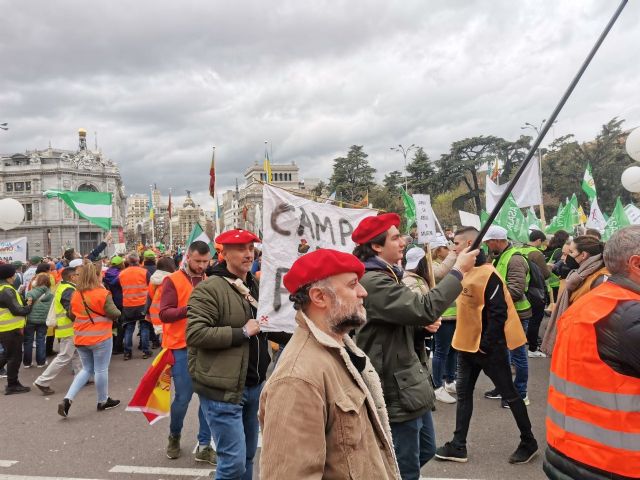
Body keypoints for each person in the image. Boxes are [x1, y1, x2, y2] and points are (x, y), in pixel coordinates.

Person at [352, 213, 478, 480]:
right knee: (404, 468)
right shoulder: (373, 281)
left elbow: (399, 321)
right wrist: (459, 271)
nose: (403, 241)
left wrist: (420, 328)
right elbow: (424, 308)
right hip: (396, 385)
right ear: (376, 246)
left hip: (410, 382)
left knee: (425, 450)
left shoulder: (388, 274)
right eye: (395, 237)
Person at [259, 249, 401, 479]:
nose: (363, 292)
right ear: (320, 297)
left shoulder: (340, 349)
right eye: (353, 284)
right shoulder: (297, 379)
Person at [435, 227, 538, 465]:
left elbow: (498, 313)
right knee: (463, 395)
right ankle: (458, 445)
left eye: (457, 245)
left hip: (488, 350)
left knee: (510, 394)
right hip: (465, 347)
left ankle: (528, 441)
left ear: (470, 244)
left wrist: (486, 345)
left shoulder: (488, 274)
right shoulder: (463, 271)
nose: (453, 249)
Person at [543, 225, 640, 479]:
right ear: (636, 264)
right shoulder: (630, 317)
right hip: (616, 463)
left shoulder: (594, 302)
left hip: (571, 451)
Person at [187, 229, 271, 480]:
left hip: (253, 384)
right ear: (224, 253)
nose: (248, 254)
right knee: (233, 463)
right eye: (241, 249)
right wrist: (243, 332)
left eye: (251, 248)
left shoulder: (254, 284)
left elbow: (266, 325)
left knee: (246, 456)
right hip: (223, 389)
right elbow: (196, 334)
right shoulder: (210, 288)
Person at [158, 242, 215, 464]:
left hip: (207, 346)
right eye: (198, 261)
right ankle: (174, 435)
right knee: (183, 398)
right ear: (188, 258)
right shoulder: (172, 280)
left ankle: (204, 445)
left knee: (208, 399)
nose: (202, 265)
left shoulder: (209, 281)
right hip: (180, 347)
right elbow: (164, 314)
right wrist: (190, 308)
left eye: (205, 261)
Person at [58, 262, 121, 417]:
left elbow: (71, 315)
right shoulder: (102, 293)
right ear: (96, 276)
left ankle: (67, 399)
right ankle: (102, 400)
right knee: (100, 369)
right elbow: (115, 313)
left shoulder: (75, 294)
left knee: (86, 369)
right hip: (100, 337)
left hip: (80, 338)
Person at [482, 225, 531, 407]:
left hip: (516, 314)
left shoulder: (515, 259)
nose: (487, 245)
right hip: (502, 314)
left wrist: (492, 299)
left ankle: (521, 393)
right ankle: (504, 388)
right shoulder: (497, 257)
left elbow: (516, 290)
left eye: (488, 242)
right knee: (502, 355)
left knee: (518, 355)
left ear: (497, 241)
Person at [541, 235, 609, 356]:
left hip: (587, 346)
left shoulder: (599, 278)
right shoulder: (581, 275)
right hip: (576, 340)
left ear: (583, 255)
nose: (563, 258)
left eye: (570, 252)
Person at [33, 261, 83, 395]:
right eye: (78, 275)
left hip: (67, 328)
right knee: (65, 356)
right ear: (72, 277)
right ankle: (42, 381)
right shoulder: (69, 290)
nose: (80, 277)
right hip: (69, 329)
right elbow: (71, 311)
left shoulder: (63, 287)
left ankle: (81, 377)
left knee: (76, 354)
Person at [429, 237, 458, 404]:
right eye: (446, 248)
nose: (449, 251)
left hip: (455, 313)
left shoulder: (447, 264)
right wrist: (454, 255)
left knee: (453, 349)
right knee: (441, 351)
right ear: (438, 250)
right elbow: (439, 275)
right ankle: (437, 386)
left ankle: (449, 380)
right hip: (443, 314)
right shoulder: (431, 265)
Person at [0, 263, 33, 394]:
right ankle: (12, 385)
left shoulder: (3, 288)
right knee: (14, 357)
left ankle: (13, 383)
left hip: (5, 328)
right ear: (9, 276)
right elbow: (18, 310)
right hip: (11, 329)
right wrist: (29, 305)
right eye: (13, 274)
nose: (14, 276)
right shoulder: (7, 290)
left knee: (7, 355)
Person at [520, 230, 551, 358]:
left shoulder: (519, 250)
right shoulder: (537, 254)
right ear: (538, 240)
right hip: (534, 291)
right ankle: (533, 348)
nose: (543, 244)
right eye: (542, 242)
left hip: (521, 291)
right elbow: (545, 274)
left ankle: (523, 342)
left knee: (523, 319)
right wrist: (549, 267)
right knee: (535, 320)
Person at [118, 253, 151, 360]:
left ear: (128, 261)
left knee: (129, 328)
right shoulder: (145, 272)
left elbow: (119, 286)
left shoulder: (122, 273)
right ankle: (145, 351)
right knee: (145, 327)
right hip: (143, 304)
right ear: (138, 260)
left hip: (128, 305)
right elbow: (150, 286)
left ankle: (127, 353)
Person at [23, 273, 54, 368]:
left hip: (30, 320)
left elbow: (26, 306)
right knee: (41, 340)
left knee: (28, 341)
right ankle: (41, 362)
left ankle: (27, 363)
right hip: (43, 320)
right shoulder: (51, 294)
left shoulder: (31, 293)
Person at [147, 256, 176, 342]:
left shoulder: (153, 279)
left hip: (156, 312)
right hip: (170, 312)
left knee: (165, 338)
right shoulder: (173, 279)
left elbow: (151, 294)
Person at [103, 255, 125, 354]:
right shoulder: (121, 275)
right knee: (121, 324)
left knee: (112, 324)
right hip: (121, 300)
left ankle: (113, 344)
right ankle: (118, 346)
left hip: (110, 300)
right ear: (121, 264)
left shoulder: (106, 273)